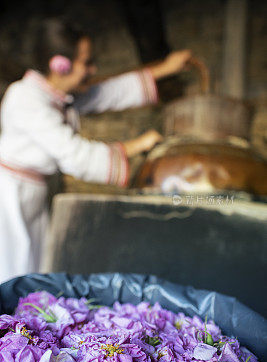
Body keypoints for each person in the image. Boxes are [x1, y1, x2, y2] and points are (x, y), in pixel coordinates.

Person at [0, 19, 192, 283]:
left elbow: (106, 92)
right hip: (10, 197)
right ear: (60, 65)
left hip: (32, 193)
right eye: (86, 62)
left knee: (32, 270)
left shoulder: (58, 97)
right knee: (12, 273)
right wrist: (136, 145)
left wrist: (166, 69)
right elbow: (74, 155)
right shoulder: (25, 98)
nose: (93, 69)